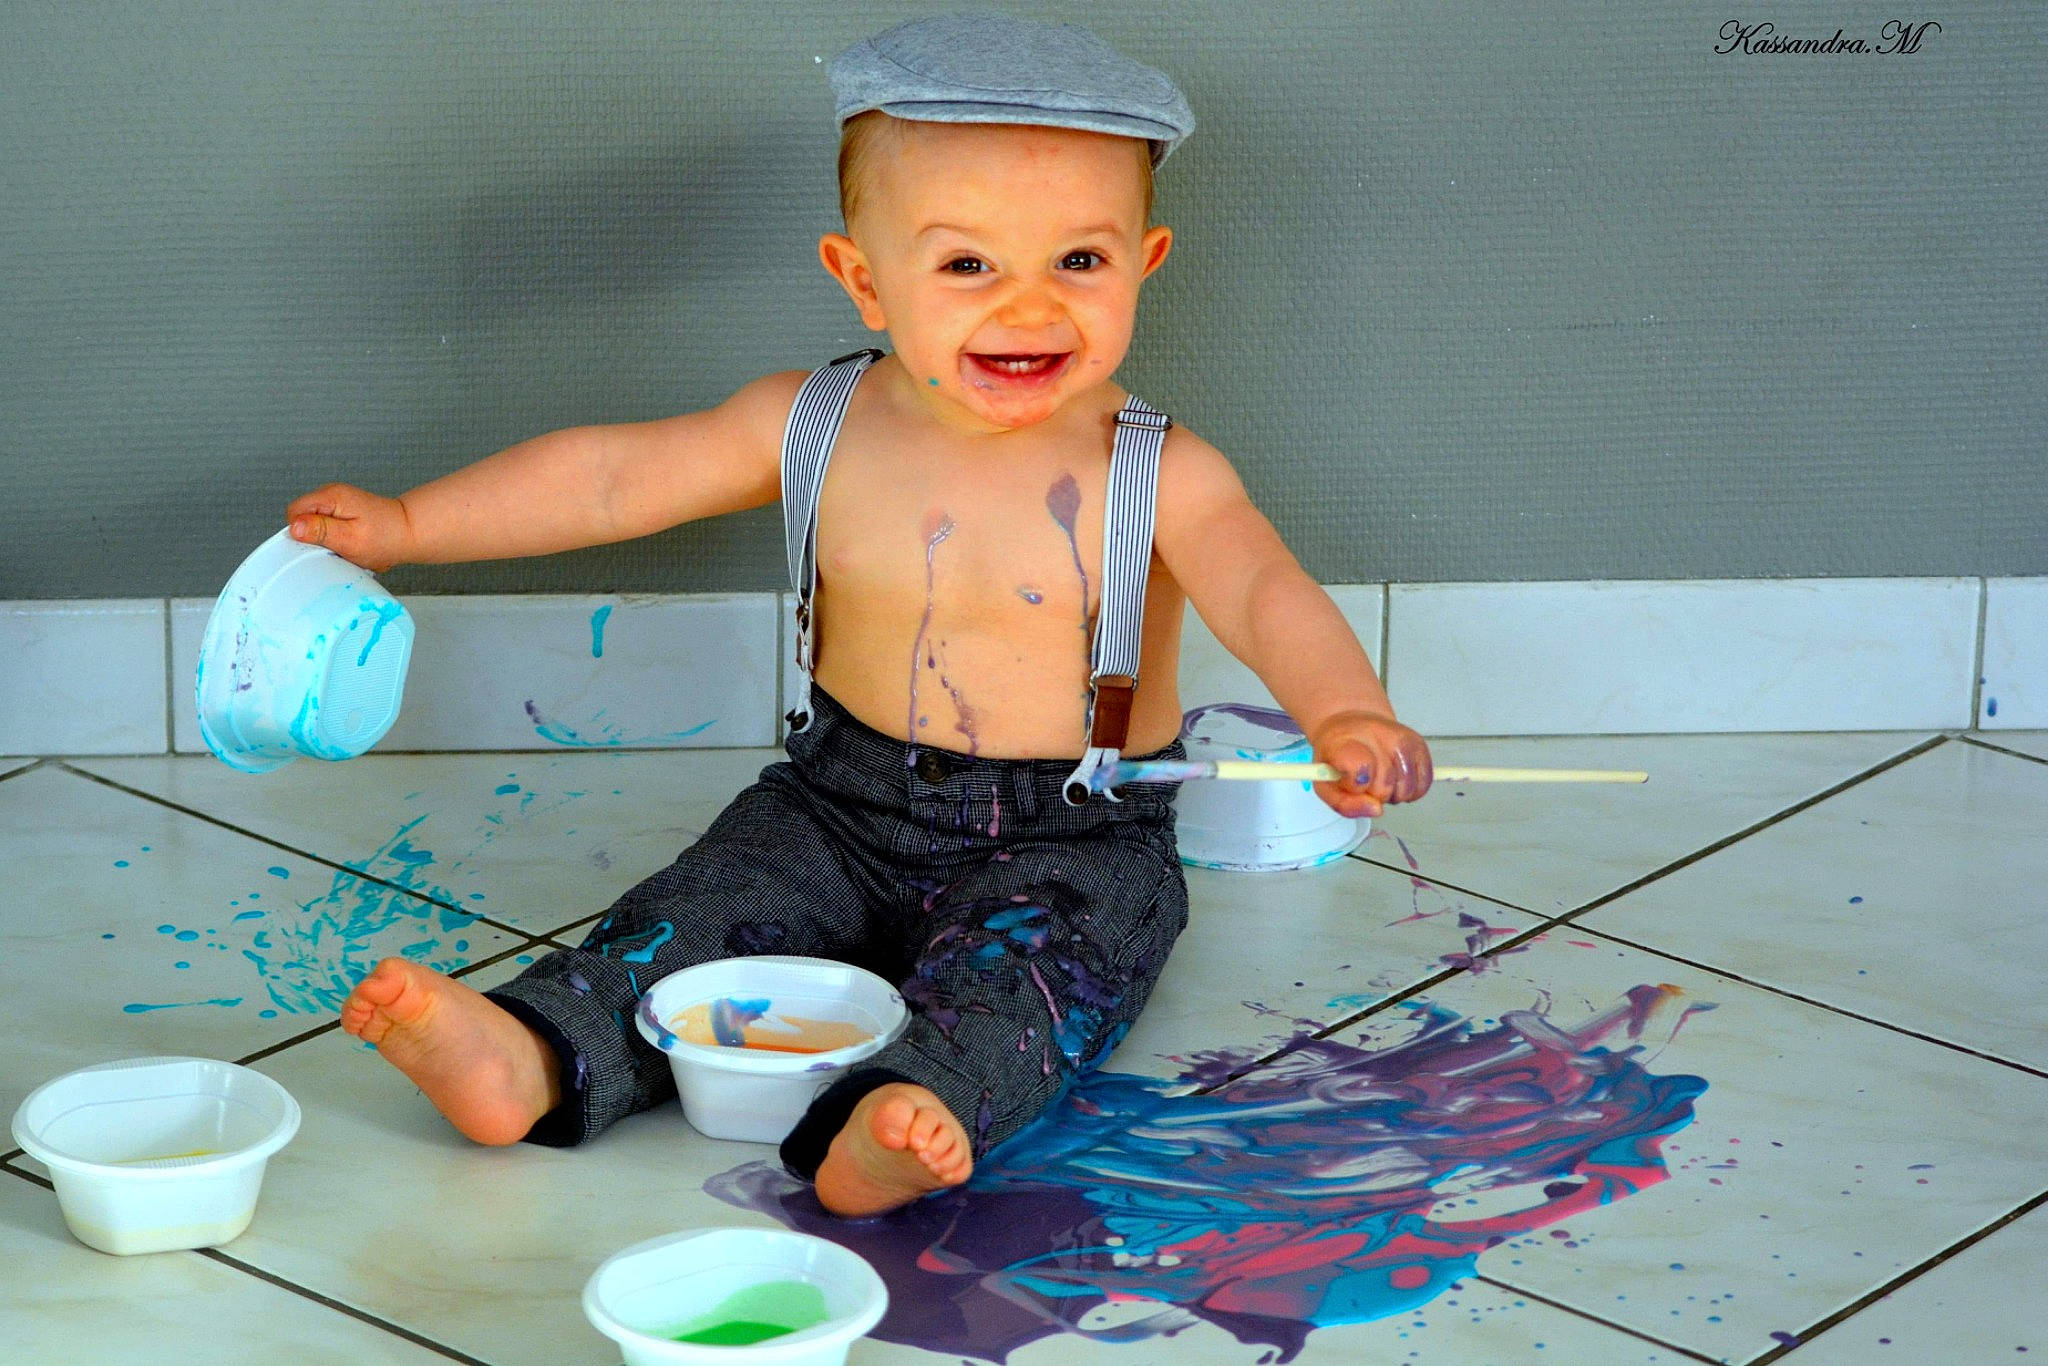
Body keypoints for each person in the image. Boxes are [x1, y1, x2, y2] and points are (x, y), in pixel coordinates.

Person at [292, 13, 1433, 1217]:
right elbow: (611, 478)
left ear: (1143, 261)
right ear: (861, 277)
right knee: (698, 913)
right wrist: (410, 526)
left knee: (1033, 982)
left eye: (1077, 262)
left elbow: (1265, 589)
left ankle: (904, 1114)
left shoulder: (1158, 470)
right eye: (965, 265)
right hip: (836, 800)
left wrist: (1344, 708)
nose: (1027, 307)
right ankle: (532, 1053)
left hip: (1076, 833)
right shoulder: (815, 421)